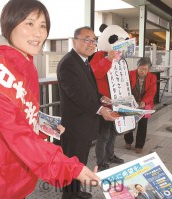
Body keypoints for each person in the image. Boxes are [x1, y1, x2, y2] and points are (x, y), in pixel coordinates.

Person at [0, 1, 99, 198]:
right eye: (29, 24)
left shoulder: (22, 62)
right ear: (10, 24)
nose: (38, 34)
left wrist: (44, 126)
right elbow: (18, 137)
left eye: (43, 25)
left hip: (15, 176)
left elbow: (18, 117)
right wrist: (72, 169)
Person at [57, 26, 118, 199]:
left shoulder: (83, 61)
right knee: (72, 162)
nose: (91, 44)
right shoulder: (68, 63)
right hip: (75, 126)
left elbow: (89, 89)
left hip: (84, 124)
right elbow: (76, 93)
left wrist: (102, 97)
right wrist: (100, 109)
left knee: (80, 162)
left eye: (94, 41)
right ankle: (69, 195)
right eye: (87, 39)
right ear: (74, 41)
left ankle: (76, 191)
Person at [90, 50, 124, 171]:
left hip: (115, 104)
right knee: (103, 135)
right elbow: (95, 73)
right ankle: (101, 161)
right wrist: (108, 59)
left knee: (113, 133)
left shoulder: (119, 56)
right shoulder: (99, 55)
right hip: (103, 105)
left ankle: (110, 155)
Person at [124, 57, 157, 154]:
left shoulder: (152, 77)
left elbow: (152, 91)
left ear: (149, 69)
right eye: (141, 69)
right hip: (131, 102)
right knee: (129, 122)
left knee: (143, 125)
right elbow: (125, 88)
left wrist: (144, 101)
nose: (142, 71)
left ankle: (139, 145)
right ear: (137, 67)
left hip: (144, 104)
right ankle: (128, 141)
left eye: (145, 69)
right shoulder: (130, 74)